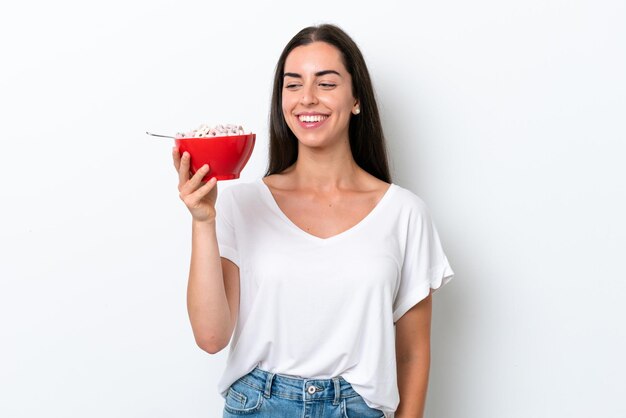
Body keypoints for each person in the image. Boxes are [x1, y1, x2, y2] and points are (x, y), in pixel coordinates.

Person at [172, 23, 454, 418]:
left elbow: (411, 354)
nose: (307, 98)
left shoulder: (405, 213)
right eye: (293, 84)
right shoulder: (241, 203)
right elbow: (211, 337)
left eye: (326, 83)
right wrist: (202, 221)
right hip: (259, 406)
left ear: (357, 98)